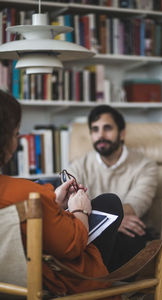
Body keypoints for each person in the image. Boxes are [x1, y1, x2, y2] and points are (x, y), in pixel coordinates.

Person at [0, 90, 125, 299]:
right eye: (15, 134)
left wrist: (54, 203)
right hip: (50, 282)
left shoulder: (28, 194)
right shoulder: (28, 193)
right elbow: (73, 246)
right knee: (109, 203)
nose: (18, 140)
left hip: (7, 283)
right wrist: (79, 209)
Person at [68, 105, 158, 264]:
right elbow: (69, 204)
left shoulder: (146, 166)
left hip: (128, 228)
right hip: (90, 228)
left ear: (122, 134)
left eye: (107, 128)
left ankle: (112, 287)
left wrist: (105, 220)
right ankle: (96, 284)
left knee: (131, 236)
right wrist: (113, 221)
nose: (100, 135)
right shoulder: (77, 166)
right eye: (95, 130)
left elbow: (136, 205)